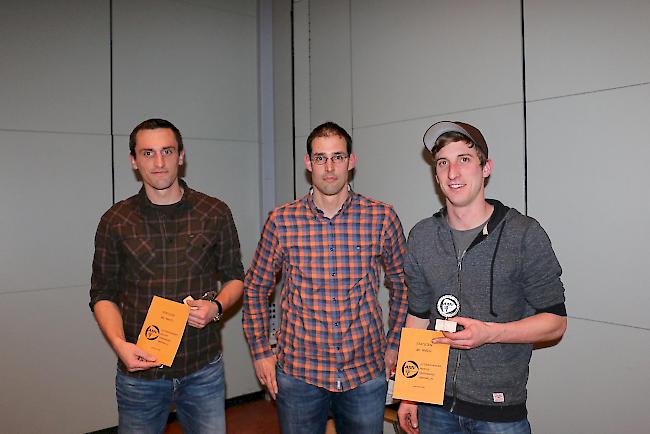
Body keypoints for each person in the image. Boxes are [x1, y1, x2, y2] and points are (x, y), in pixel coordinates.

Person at [397, 121, 567, 434]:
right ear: (435, 174)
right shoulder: (422, 236)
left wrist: (490, 333)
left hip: (499, 412)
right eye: (443, 163)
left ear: (485, 168)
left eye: (464, 160)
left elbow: (555, 322)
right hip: (435, 407)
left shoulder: (523, 234)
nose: (453, 173)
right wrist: (410, 392)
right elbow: (418, 316)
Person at [243, 122, 408, 434]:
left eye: (338, 157)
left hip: (365, 370)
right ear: (308, 163)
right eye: (320, 158)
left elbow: (404, 286)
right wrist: (261, 352)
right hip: (299, 373)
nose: (329, 167)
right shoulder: (282, 221)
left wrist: (396, 344)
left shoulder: (381, 217)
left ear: (351, 160)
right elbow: (255, 288)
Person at [89, 118, 244, 434]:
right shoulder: (115, 221)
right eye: (148, 153)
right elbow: (102, 293)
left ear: (181, 156)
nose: (159, 163)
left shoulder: (214, 212)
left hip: (203, 369)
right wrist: (119, 344)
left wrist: (216, 308)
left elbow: (235, 278)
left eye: (167, 151)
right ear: (134, 160)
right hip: (140, 374)